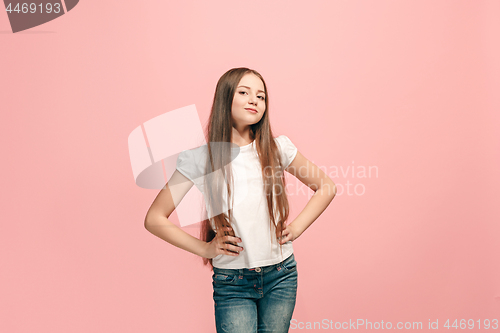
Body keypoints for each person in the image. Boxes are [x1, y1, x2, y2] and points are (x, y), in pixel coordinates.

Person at [144, 67, 337, 333]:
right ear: (225, 99)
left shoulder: (277, 148)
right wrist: (205, 249)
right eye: (244, 92)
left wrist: (297, 227)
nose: (254, 101)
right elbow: (154, 218)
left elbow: (326, 186)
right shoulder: (201, 159)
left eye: (261, 96)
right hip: (232, 282)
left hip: (281, 275)